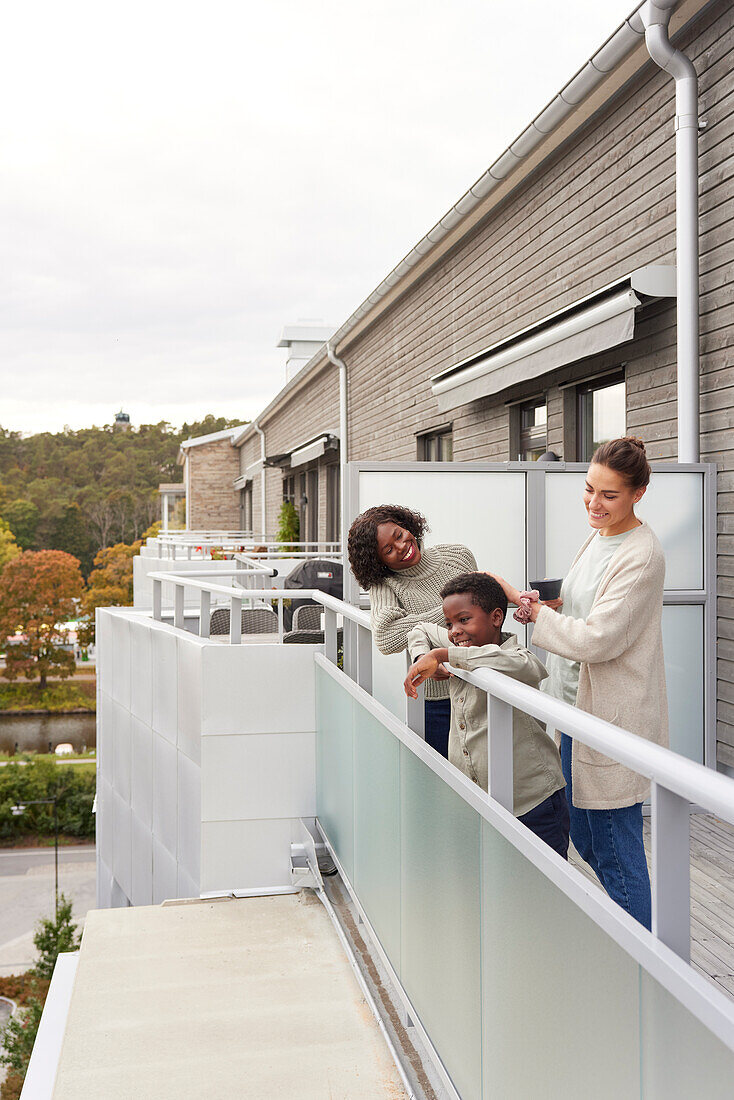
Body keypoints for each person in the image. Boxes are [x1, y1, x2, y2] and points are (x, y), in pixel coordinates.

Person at [492, 437, 666, 929]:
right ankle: (626, 939)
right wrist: (542, 607)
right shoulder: (599, 536)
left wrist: (518, 606)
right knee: (586, 837)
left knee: (612, 842)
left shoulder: (641, 554)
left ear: (639, 493)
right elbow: (586, 606)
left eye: (609, 495)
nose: (594, 503)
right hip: (574, 710)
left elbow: (598, 640)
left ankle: (641, 963)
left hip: (609, 715)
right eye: (590, 489)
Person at [404, 573, 569, 857]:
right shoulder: (460, 645)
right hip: (480, 803)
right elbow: (418, 629)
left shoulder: (516, 656)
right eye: (450, 623)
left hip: (532, 804)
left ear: (495, 617)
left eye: (464, 620)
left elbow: (528, 666)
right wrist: (422, 657)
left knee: (540, 893)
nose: (455, 630)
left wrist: (444, 656)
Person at [348, 505, 476, 758]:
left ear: (407, 525)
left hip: (479, 689)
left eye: (398, 535)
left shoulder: (458, 556)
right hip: (438, 704)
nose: (401, 547)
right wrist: (457, 609)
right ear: (379, 560)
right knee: (442, 788)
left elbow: (481, 607)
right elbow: (386, 636)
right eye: (388, 550)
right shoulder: (386, 585)